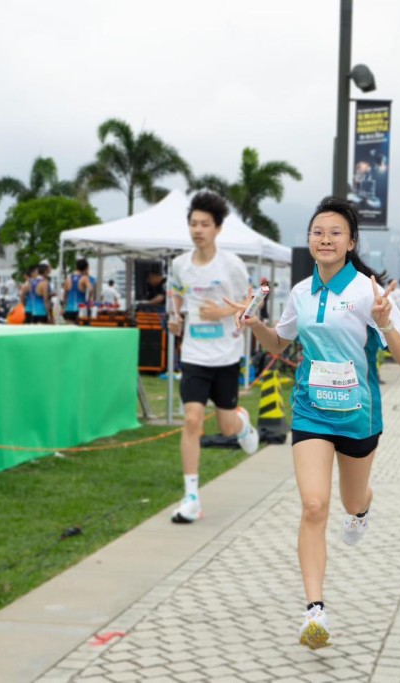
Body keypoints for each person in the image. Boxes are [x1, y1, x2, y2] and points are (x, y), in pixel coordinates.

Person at [224, 195, 400, 651]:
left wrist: (386, 325)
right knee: (313, 506)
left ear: (350, 242)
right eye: (317, 232)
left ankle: (363, 508)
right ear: (309, 241)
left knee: (350, 500)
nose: (324, 239)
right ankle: (315, 613)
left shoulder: (371, 292)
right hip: (310, 410)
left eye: (334, 233)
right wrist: (253, 323)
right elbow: (281, 342)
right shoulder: (303, 293)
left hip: (358, 415)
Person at [165, 191, 259, 525]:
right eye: (193, 224)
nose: (198, 230)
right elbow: (176, 294)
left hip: (226, 356)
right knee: (191, 420)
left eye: (204, 224)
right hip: (193, 355)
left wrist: (223, 310)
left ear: (217, 228)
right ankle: (191, 497)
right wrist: (175, 317)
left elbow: (253, 301)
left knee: (226, 426)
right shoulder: (180, 265)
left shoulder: (231, 265)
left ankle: (243, 422)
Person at [63, 258, 95, 322]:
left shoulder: (68, 278)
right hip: (80, 309)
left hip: (69, 309)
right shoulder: (84, 278)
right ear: (86, 268)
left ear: (76, 267)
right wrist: (88, 300)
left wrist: (63, 307)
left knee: (70, 329)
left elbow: (65, 295)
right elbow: (91, 289)